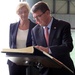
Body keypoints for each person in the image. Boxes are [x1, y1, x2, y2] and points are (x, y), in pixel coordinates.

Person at [31, 1, 74, 75]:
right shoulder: (34, 31)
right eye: (35, 18)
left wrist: (48, 50)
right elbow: (35, 51)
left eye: (39, 16)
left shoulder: (63, 26)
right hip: (45, 71)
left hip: (63, 70)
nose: (37, 21)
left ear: (47, 13)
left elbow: (68, 46)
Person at [7, 2, 36, 75]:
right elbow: (11, 44)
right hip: (14, 62)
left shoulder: (35, 27)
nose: (23, 14)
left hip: (29, 62)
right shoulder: (12, 26)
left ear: (28, 12)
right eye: (20, 12)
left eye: (25, 11)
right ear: (17, 13)